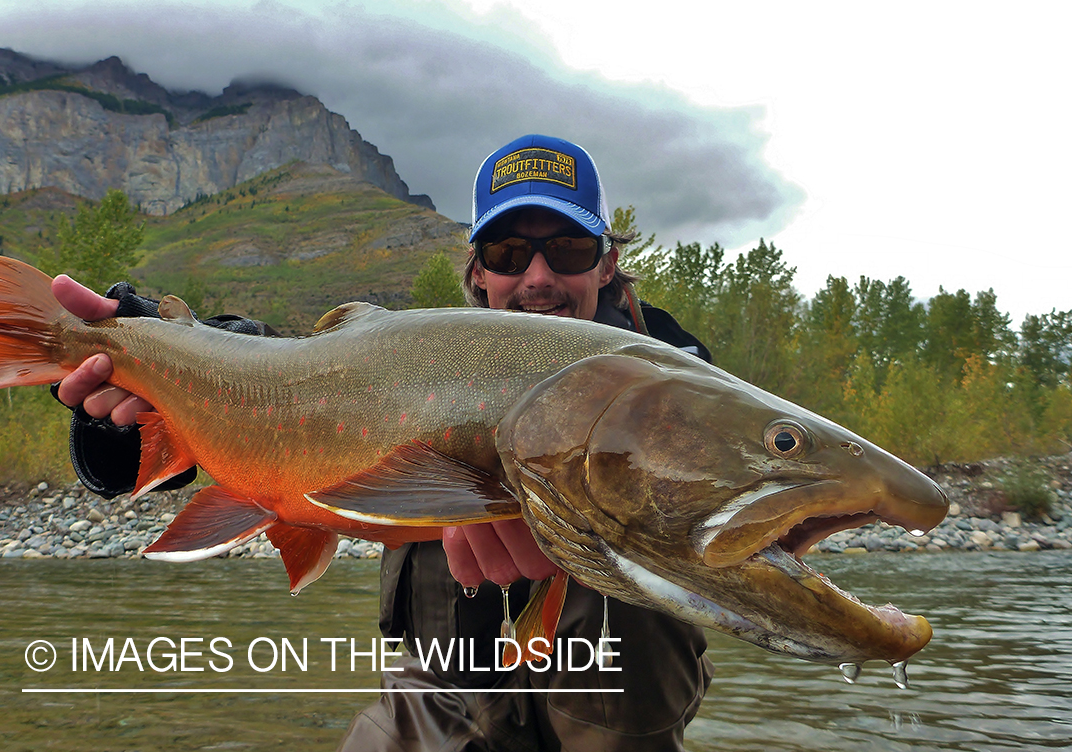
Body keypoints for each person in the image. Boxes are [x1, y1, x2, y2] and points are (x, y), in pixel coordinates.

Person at [53, 134, 714, 751]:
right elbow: (284, 370)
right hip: (442, 682)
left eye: (567, 249)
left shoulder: (678, 385)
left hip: (607, 689)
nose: (536, 277)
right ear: (478, 273)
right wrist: (153, 356)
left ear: (607, 265)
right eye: (508, 255)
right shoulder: (420, 357)